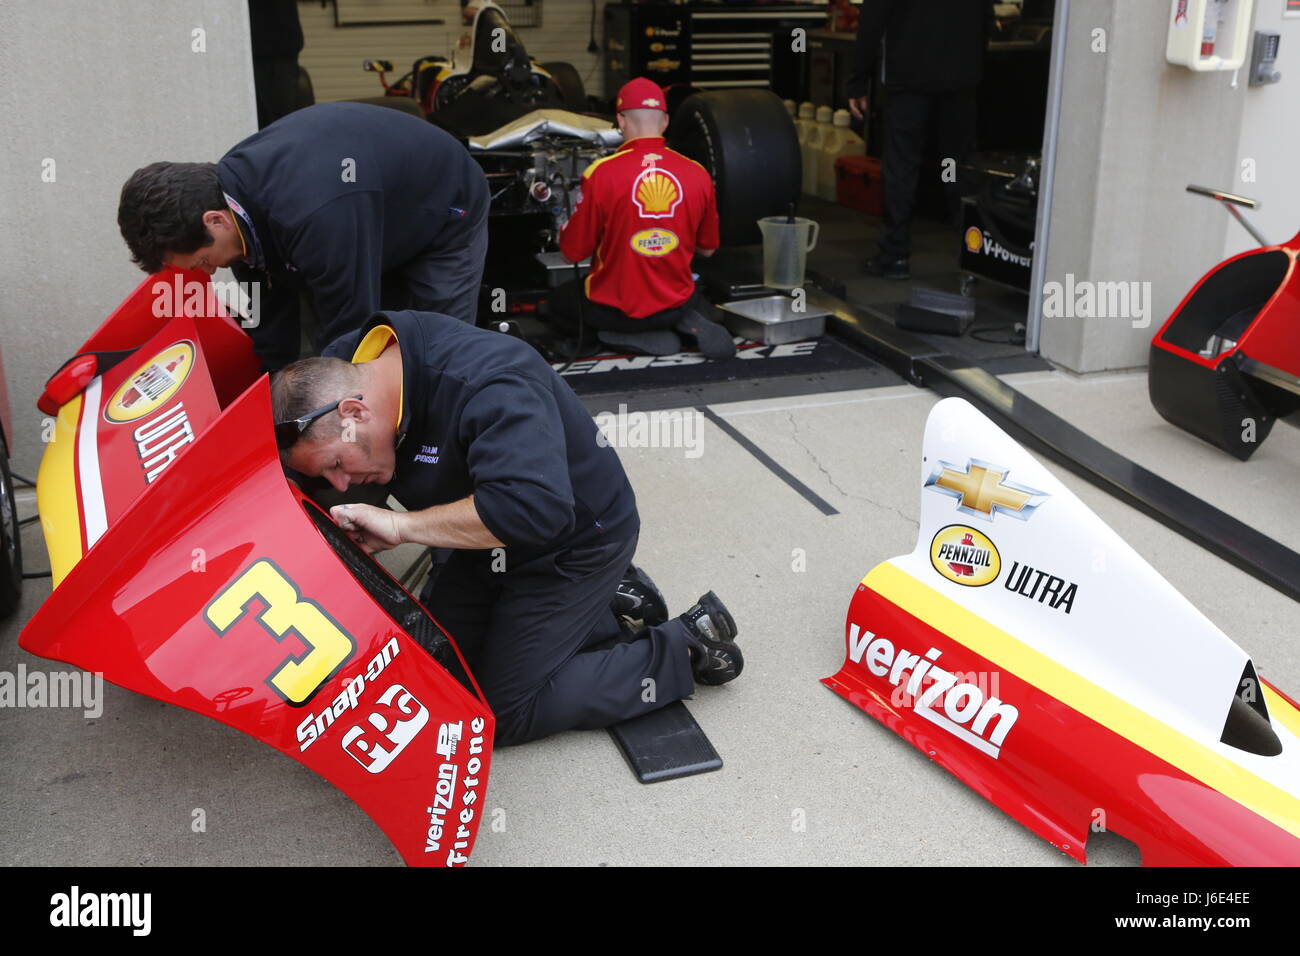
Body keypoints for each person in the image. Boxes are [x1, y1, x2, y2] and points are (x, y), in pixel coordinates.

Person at [269, 308, 744, 745]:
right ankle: (611, 601)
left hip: (574, 540)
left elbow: (532, 509)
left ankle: (684, 646)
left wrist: (402, 526)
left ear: (355, 412)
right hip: (483, 541)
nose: (339, 483)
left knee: (496, 713)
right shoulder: (348, 366)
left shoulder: (492, 383)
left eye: (336, 464)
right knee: (439, 670)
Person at [117, 102, 490, 371]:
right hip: (363, 212)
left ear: (215, 220)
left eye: (202, 262)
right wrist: (268, 406)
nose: (210, 272)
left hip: (441, 205)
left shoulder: (312, 215)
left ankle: (442, 459)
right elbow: (272, 332)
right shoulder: (233, 209)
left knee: (430, 348)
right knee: (363, 340)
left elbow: (351, 332)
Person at [552, 77, 735, 360]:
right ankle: (682, 322)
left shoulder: (600, 173)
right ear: (664, 121)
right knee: (695, 285)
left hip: (617, 310)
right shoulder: (697, 172)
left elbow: (571, 253)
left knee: (558, 302)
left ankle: (616, 335)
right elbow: (708, 249)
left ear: (621, 121)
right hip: (676, 302)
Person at [846, 0, 995, 279]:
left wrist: (858, 79)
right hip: (959, 78)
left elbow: (873, 18)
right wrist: (973, 62)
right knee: (956, 166)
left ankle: (895, 256)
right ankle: (974, 254)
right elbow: (987, 18)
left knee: (902, 167)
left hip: (909, 75)